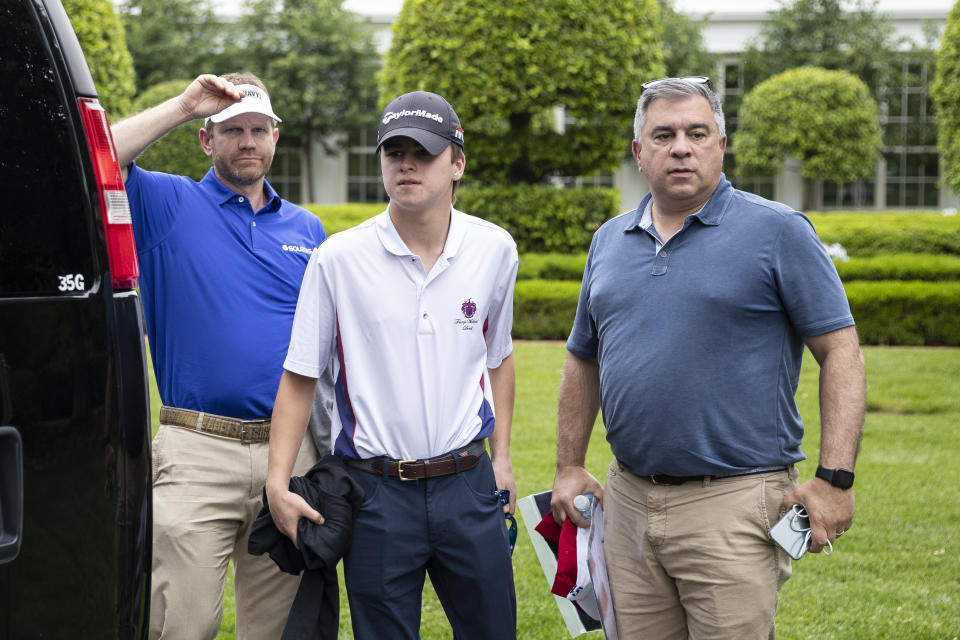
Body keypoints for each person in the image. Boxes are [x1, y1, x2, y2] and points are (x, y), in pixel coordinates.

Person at [550, 76, 866, 639]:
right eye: (663, 134)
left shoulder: (778, 232)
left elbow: (839, 348)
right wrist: (569, 465)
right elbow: (583, 358)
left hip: (734, 503)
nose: (680, 147)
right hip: (627, 501)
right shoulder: (609, 240)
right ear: (639, 153)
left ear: (720, 145)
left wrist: (834, 478)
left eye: (698, 133)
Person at [266, 90, 519, 640]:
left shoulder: (495, 249)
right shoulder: (338, 258)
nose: (406, 164)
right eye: (393, 151)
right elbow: (300, 375)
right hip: (376, 493)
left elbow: (498, 357)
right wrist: (276, 481)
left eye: (423, 152)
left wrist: (501, 458)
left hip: (467, 484)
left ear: (457, 163)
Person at [112, 73, 333, 640]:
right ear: (207, 140)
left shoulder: (308, 230)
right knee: (182, 625)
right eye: (232, 129)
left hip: (289, 454)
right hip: (196, 451)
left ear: (275, 138)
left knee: (279, 629)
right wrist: (186, 106)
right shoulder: (168, 203)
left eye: (259, 129)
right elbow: (97, 157)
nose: (247, 141)